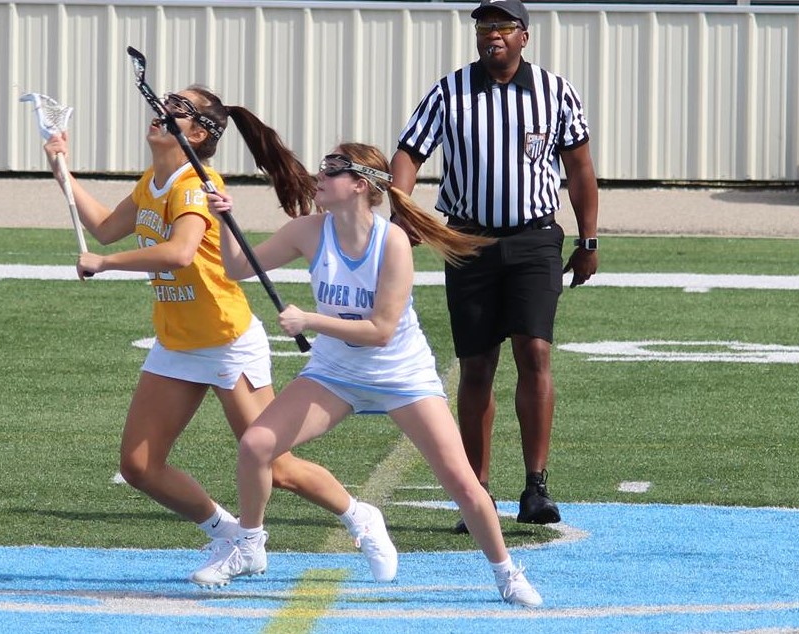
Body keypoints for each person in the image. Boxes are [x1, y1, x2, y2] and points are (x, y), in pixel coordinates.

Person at [41, 87, 397, 584]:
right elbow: (103, 227)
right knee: (140, 465)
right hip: (177, 341)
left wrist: (105, 263)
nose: (161, 111)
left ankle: (359, 516)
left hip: (226, 340)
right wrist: (62, 169)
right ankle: (228, 532)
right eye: (164, 102)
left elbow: (180, 252)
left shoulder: (196, 184)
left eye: (177, 108)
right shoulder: (153, 182)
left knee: (276, 466)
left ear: (197, 133)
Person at [193, 142, 543, 608]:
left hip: (402, 376)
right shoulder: (308, 230)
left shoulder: (392, 241)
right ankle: (250, 545)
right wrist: (223, 218)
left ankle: (507, 573)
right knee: (256, 444)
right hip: (336, 372)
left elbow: (380, 331)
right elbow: (238, 267)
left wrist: (310, 320)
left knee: (463, 483)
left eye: (332, 170)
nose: (319, 177)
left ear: (360, 184)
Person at [390, 0, 599, 533]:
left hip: (534, 239)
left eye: (504, 27)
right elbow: (409, 154)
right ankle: (477, 490)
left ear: (524, 36)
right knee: (477, 364)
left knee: (534, 352)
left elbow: (579, 168)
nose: (493, 35)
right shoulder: (450, 91)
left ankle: (536, 486)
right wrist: (403, 213)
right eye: (485, 27)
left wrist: (588, 239)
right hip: (468, 240)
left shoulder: (555, 92)